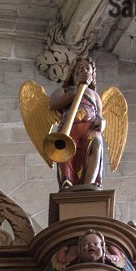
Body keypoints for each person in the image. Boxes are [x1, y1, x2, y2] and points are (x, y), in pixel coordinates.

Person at [48, 55, 104, 189]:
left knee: (96, 143)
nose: (83, 70)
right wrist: (78, 89)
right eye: (79, 68)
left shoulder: (95, 95)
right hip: (70, 127)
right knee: (66, 149)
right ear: (73, 73)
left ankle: (88, 184)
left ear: (92, 75)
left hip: (89, 129)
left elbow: (100, 115)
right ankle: (67, 182)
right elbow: (54, 105)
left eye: (87, 68)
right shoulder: (64, 90)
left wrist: (102, 122)